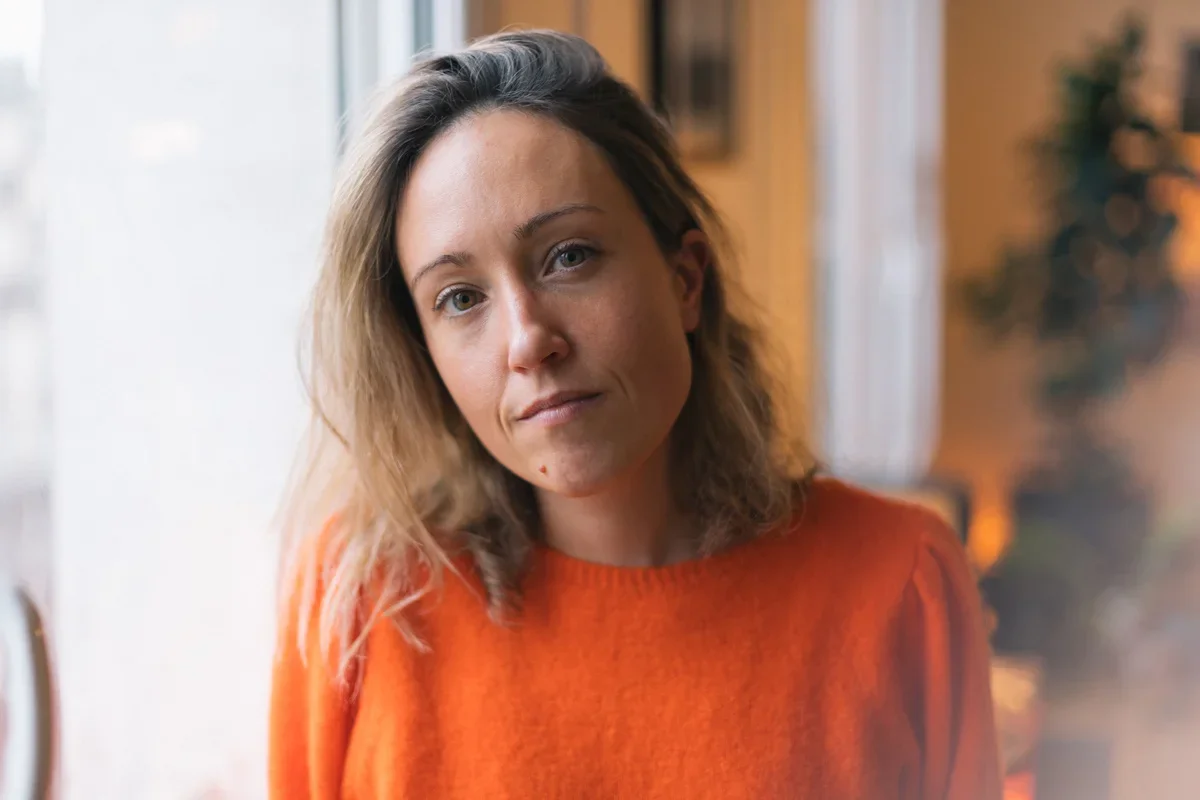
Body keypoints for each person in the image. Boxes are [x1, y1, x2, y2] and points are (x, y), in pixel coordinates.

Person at [269, 30, 1002, 799]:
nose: (528, 342)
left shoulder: (897, 582)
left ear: (684, 279)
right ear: (423, 351)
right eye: (460, 298)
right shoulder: (361, 599)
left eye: (570, 255)